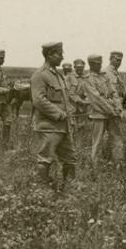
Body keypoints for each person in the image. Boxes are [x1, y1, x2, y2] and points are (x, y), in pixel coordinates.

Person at [30, 42, 78, 184]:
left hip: (63, 126)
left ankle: (69, 189)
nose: (63, 57)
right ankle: (42, 192)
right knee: (46, 158)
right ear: (50, 55)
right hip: (49, 126)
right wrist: (59, 114)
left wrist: (69, 114)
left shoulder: (58, 75)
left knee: (70, 158)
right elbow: (39, 101)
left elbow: (65, 99)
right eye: (60, 53)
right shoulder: (40, 75)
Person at [80, 54, 124, 165]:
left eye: (100, 63)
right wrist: (111, 110)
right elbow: (97, 99)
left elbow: (114, 93)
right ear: (91, 64)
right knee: (98, 141)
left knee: (117, 138)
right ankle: (96, 166)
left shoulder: (104, 76)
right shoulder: (88, 79)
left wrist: (118, 107)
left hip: (112, 113)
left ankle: (118, 162)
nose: (100, 65)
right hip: (99, 114)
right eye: (98, 64)